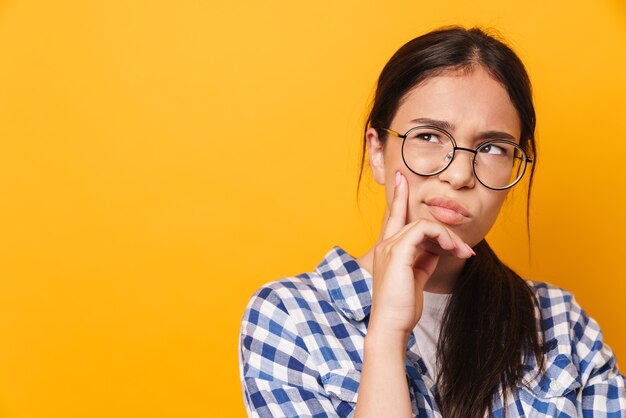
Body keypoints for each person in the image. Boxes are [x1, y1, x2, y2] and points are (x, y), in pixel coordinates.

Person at [238, 26, 626, 417]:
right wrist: (386, 335)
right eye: (428, 136)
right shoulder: (290, 317)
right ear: (377, 151)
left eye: (492, 148)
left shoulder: (560, 323)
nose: (459, 175)